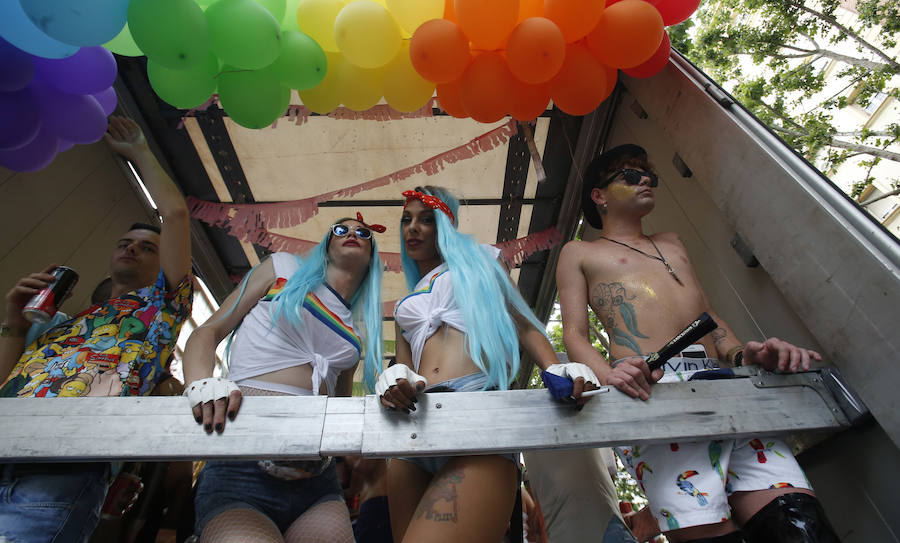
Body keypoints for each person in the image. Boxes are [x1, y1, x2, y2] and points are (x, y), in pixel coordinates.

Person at [556, 144, 839, 542]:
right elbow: (574, 335)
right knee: (707, 534)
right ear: (598, 196)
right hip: (652, 397)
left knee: (799, 523)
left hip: (726, 389)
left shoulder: (672, 241)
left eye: (649, 175)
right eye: (630, 175)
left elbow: (709, 315)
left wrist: (746, 354)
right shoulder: (579, 252)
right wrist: (612, 376)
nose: (646, 181)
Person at [0, 116, 192, 543]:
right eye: (125, 242)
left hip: (62, 467)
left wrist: (141, 150)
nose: (132, 249)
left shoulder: (160, 309)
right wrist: (14, 322)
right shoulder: (60, 327)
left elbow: (176, 214)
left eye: (148, 248)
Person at [376, 186, 600, 543]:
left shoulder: (480, 261)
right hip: (413, 426)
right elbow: (405, 368)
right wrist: (390, 381)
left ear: (446, 225)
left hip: (475, 412)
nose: (412, 228)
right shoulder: (407, 299)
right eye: (406, 220)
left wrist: (554, 366)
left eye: (426, 219)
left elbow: (522, 323)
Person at [182, 214, 385, 543]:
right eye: (341, 229)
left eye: (364, 232)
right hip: (241, 463)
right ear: (326, 243)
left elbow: (339, 409)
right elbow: (208, 331)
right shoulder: (281, 267)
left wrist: (353, 456)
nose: (352, 234)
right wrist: (201, 384)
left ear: (372, 256)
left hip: (316, 483)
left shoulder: (353, 333)